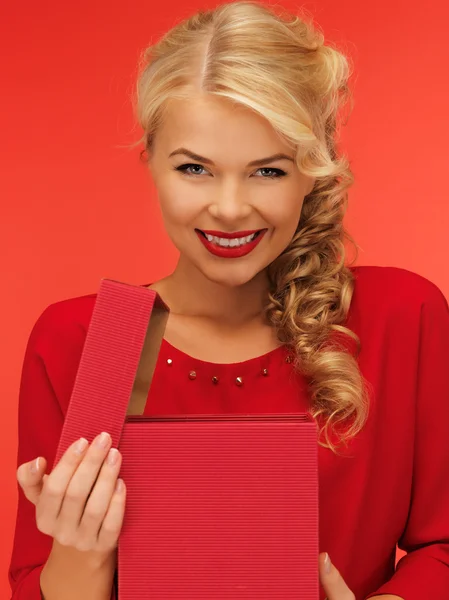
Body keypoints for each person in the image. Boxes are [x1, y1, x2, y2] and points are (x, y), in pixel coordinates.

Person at [8, 1, 449, 599]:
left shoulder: (403, 316)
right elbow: (41, 584)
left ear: (312, 171)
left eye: (267, 171)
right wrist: (79, 552)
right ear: (151, 162)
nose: (231, 208)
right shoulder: (89, 340)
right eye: (195, 168)